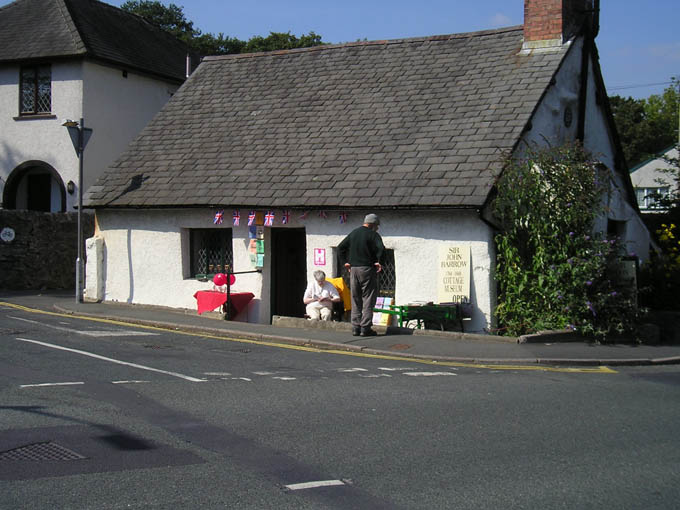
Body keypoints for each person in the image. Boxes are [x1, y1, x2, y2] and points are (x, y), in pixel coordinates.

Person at [337, 213, 385, 336]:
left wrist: (345, 263)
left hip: (353, 269)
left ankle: (355, 327)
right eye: (377, 226)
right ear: (372, 224)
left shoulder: (354, 233)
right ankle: (365, 328)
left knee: (355, 298)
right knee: (368, 298)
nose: (377, 228)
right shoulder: (373, 235)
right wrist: (379, 262)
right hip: (367, 269)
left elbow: (340, 247)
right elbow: (381, 249)